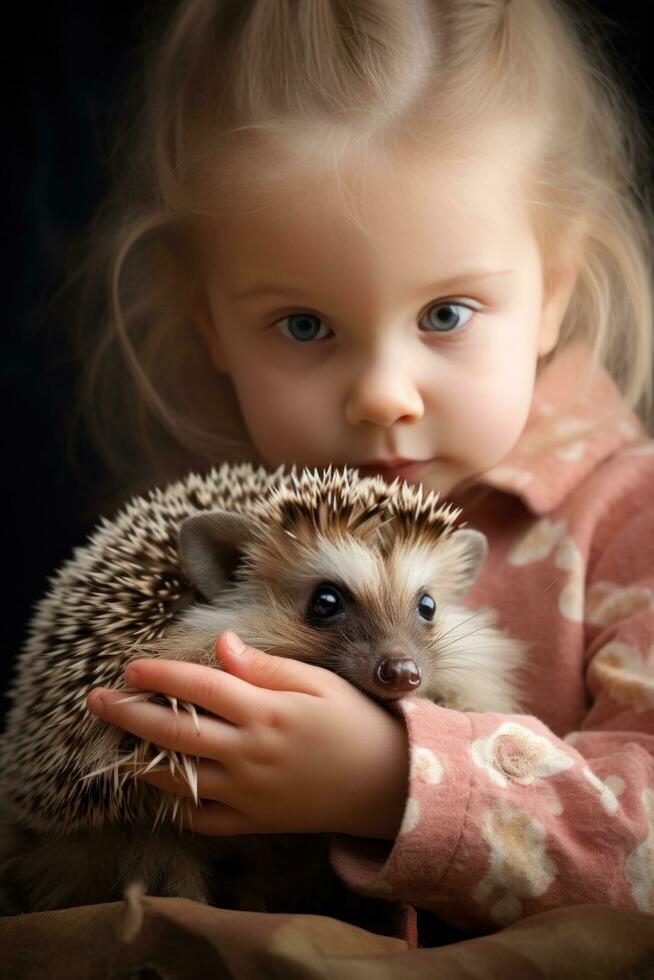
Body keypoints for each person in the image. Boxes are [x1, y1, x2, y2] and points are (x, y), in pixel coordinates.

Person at [32, 0, 654, 948]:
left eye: (446, 313)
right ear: (212, 327)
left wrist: (391, 781)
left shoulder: (635, 521)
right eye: (305, 326)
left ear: (555, 292)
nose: (382, 396)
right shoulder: (193, 530)